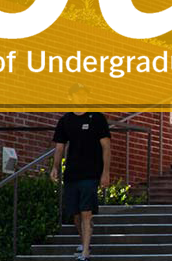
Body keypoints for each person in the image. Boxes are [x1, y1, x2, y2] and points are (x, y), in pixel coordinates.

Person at [52, 85, 110, 261]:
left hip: (91, 174)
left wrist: (105, 172)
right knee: (75, 214)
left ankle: (85, 252)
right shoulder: (66, 120)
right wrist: (55, 167)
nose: (81, 98)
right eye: (77, 95)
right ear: (71, 97)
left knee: (86, 212)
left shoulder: (97, 118)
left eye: (84, 95)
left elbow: (106, 146)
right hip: (71, 174)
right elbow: (59, 147)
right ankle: (84, 241)